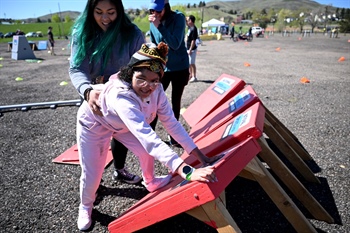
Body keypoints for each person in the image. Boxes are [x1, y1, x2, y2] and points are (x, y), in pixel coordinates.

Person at [76, 42, 219, 231]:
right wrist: (188, 171)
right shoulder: (121, 96)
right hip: (95, 123)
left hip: (121, 125)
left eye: (154, 79)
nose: (148, 86)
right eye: (141, 78)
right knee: (93, 173)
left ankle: (150, 181)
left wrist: (201, 157)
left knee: (145, 152)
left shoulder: (157, 90)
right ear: (130, 73)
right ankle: (85, 205)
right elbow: (149, 137)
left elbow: (172, 124)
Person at [69, 0, 145, 186]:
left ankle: (120, 170)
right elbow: (77, 68)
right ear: (90, 12)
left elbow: (139, 67)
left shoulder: (132, 34)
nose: (105, 18)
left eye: (111, 12)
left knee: (121, 130)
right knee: (92, 142)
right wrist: (87, 91)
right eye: (99, 12)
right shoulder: (82, 33)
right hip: (91, 93)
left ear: (119, 11)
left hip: (121, 93)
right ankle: (94, 182)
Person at [148, 0, 189, 146]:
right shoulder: (153, 21)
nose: (156, 14)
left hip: (180, 67)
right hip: (163, 68)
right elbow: (153, 44)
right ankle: (150, 136)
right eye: (153, 11)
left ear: (166, 7)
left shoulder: (178, 18)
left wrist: (159, 26)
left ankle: (174, 136)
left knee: (175, 102)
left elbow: (175, 44)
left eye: (159, 10)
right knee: (154, 101)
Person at [186, 15, 199, 83]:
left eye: (188, 20)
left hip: (192, 49)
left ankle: (194, 76)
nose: (187, 22)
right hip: (188, 48)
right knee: (189, 63)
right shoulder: (190, 28)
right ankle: (190, 75)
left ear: (191, 21)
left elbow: (193, 40)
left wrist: (190, 49)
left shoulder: (194, 29)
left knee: (192, 63)